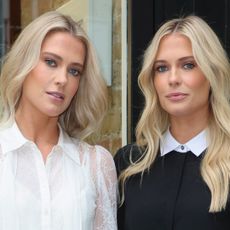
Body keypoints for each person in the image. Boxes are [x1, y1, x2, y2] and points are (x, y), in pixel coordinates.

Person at [0, 11, 117, 230]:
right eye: (51, 62)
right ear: (24, 64)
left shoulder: (95, 166)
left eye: (74, 71)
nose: (63, 79)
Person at [114, 15, 230, 230]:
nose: (173, 78)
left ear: (212, 73)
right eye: (161, 68)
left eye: (188, 65)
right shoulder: (128, 163)